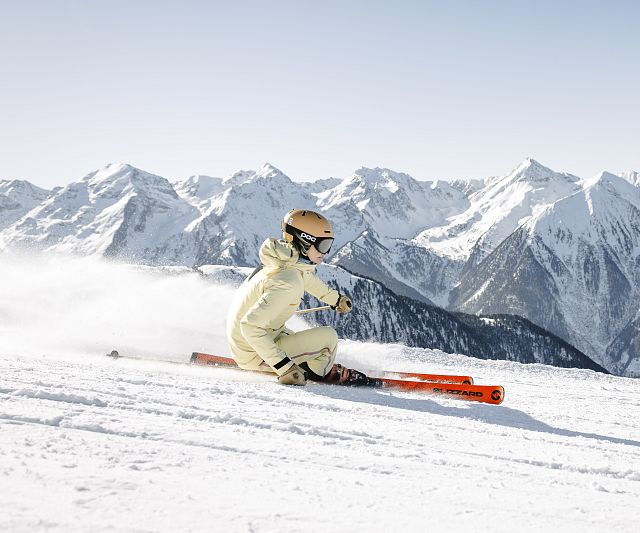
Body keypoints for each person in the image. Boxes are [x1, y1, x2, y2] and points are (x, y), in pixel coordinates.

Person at [226, 209, 370, 386]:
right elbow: (249, 326)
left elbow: (308, 280)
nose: (325, 252)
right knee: (328, 339)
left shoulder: (286, 262)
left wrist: (336, 299)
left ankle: (304, 361)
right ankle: (318, 372)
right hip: (254, 353)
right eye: (322, 245)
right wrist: (285, 368)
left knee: (306, 340)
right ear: (304, 242)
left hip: (258, 341)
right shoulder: (288, 282)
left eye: (329, 245)